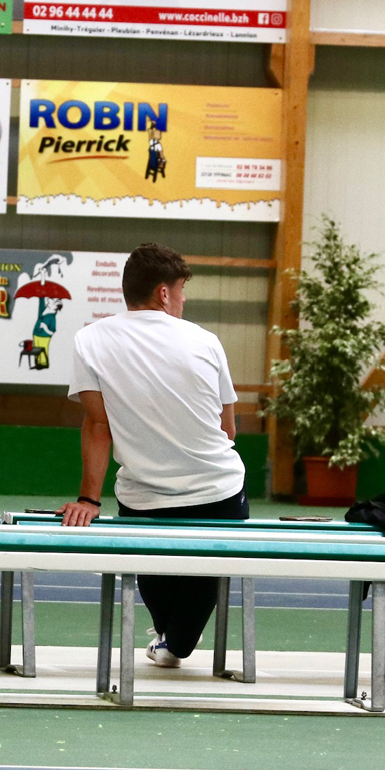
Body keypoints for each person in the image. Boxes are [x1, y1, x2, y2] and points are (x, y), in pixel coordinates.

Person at [59, 243, 245, 668]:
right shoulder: (206, 341)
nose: (183, 300)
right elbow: (228, 430)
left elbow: (97, 425)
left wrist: (88, 499)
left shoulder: (89, 340)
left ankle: (172, 639)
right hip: (219, 495)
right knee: (186, 623)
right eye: (181, 290)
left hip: (143, 501)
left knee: (165, 607)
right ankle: (176, 641)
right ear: (163, 293)